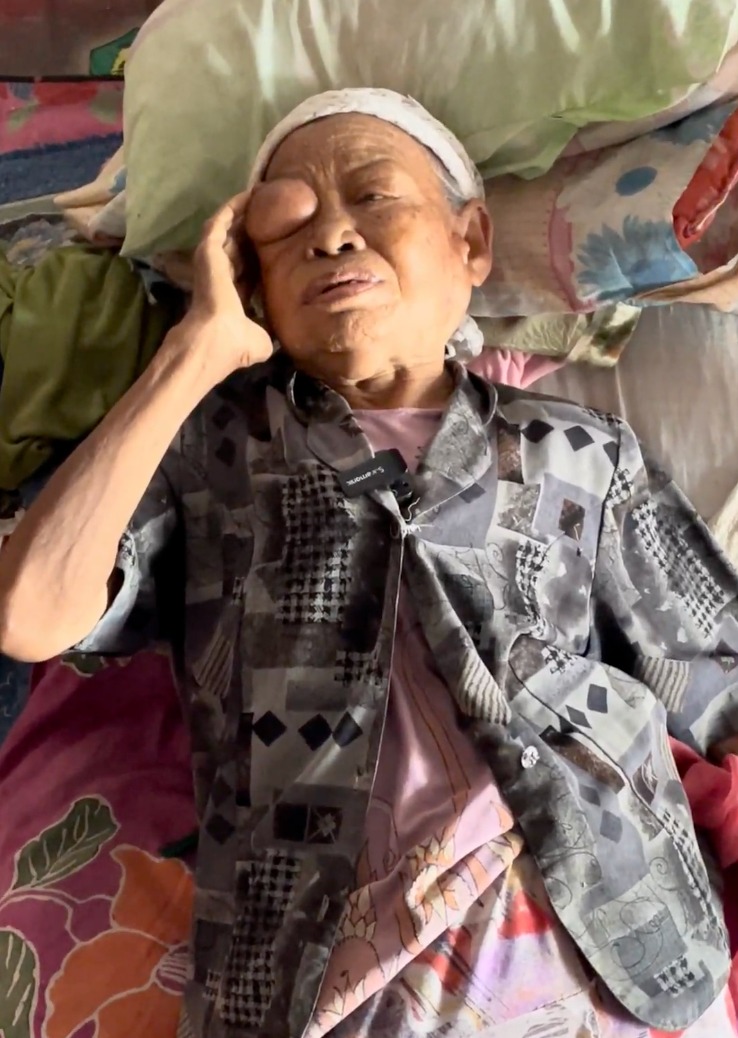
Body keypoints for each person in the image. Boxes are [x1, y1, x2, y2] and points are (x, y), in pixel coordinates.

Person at [0, 88, 737, 1038]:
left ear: (471, 242)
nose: (333, 234)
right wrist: (196, 351)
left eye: (375, 196)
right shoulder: (203, 455)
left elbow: (717, 677)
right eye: (285, 224)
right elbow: (29, 613)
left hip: (609, 947)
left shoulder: (581, 453)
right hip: (321, 982)